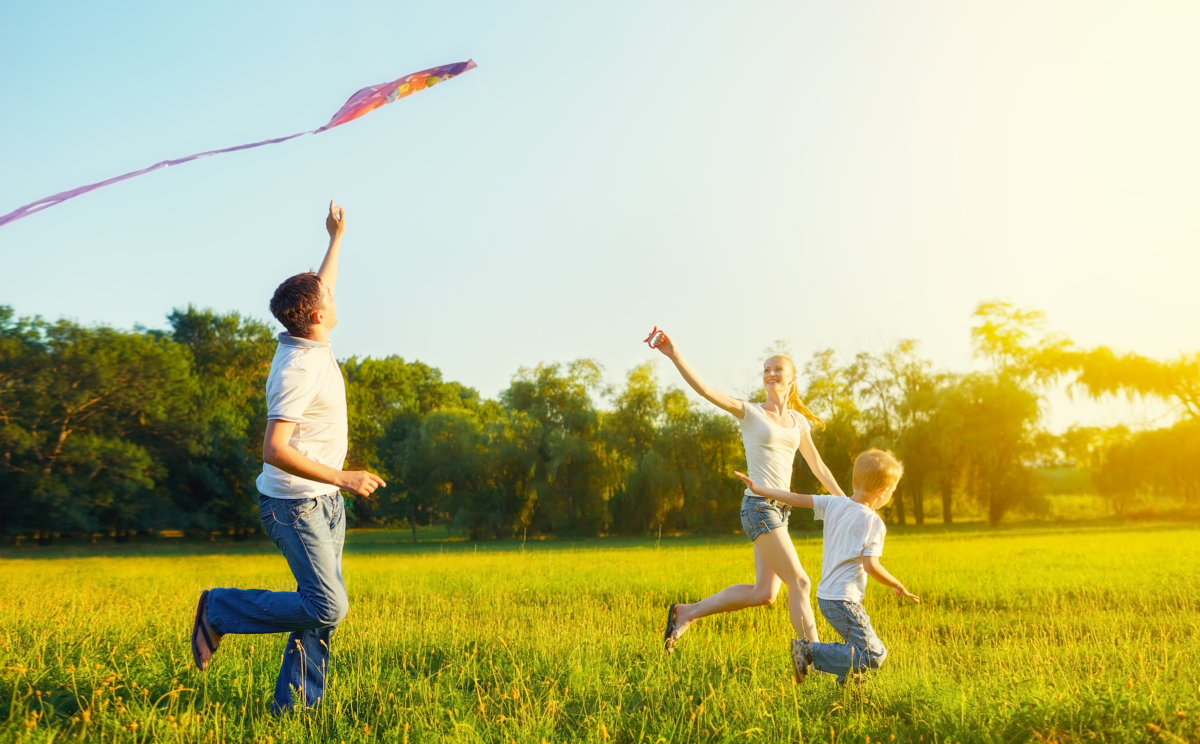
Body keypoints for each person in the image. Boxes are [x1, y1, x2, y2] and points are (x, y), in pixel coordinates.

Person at [189, 201, 387, 714]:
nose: (333, 296)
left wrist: (336, 238)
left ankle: (293, 709)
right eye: (328, 298)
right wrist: (344, 476)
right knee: (328, 605)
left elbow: (321, 287)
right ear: (319, 315)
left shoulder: (313, 336)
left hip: (322, 503)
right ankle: (220, 606)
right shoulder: (297, 369)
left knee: (317, 612)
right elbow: (274, 450)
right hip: (294, 505)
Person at [651, 330, 845, 674]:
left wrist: (845, 501)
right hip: (758, 507)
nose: (770, 374)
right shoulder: (751, 413)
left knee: (764, 594)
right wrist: (673, 353)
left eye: (777, 370)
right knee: (800, 582)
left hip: (779, 511)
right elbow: (707, 391)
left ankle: (686, 613)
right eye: (766, 370)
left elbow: (818, 466)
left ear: (792, 379)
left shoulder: (798, 422)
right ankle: (815, 659)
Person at [735, 448, 919, 685]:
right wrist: (897, 584)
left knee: (854, 649)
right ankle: (808, 652)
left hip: (826, 599)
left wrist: (760, 490)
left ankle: (849, 691)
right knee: (873, 655)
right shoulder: (873, 522)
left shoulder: (834, 504)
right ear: (883, 492)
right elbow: (871, 566)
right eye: (892, 491)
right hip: (845, 601)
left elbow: (796, 498)